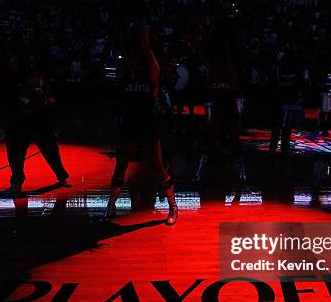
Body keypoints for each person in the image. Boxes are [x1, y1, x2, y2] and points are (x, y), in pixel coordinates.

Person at [103, 14, 178, 226]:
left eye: (139, 56)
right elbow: (126, 48)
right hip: (129, 124)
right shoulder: (129, 74)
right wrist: (121, 24)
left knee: (158, 168)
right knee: (120, 167)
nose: (135, 58)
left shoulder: (152, 72)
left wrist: (141, 18)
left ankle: (173, 206)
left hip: (148, 126)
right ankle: (111, 205)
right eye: (132, 56)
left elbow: (144, 47)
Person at [5, 51, 70, 193]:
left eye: (32, 61)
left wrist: (47, 101)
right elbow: (6, 102)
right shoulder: (11, 80)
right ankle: (16, 181)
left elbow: (52, 97)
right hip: (18, 123)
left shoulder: (40, 77)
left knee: (51, 151)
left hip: (40, 122)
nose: (30, 64)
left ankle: (61, 176)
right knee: (16, 156)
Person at [193, 18, 245, 182]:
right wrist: (198, 44)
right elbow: (205, 59)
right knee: (208, 143)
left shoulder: (231, 76)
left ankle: (242, 172)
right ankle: (199, 173)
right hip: (218, 112)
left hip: (229, 112)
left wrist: (226, 46)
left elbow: (227, 60)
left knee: (235, 143)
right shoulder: (215, 73)